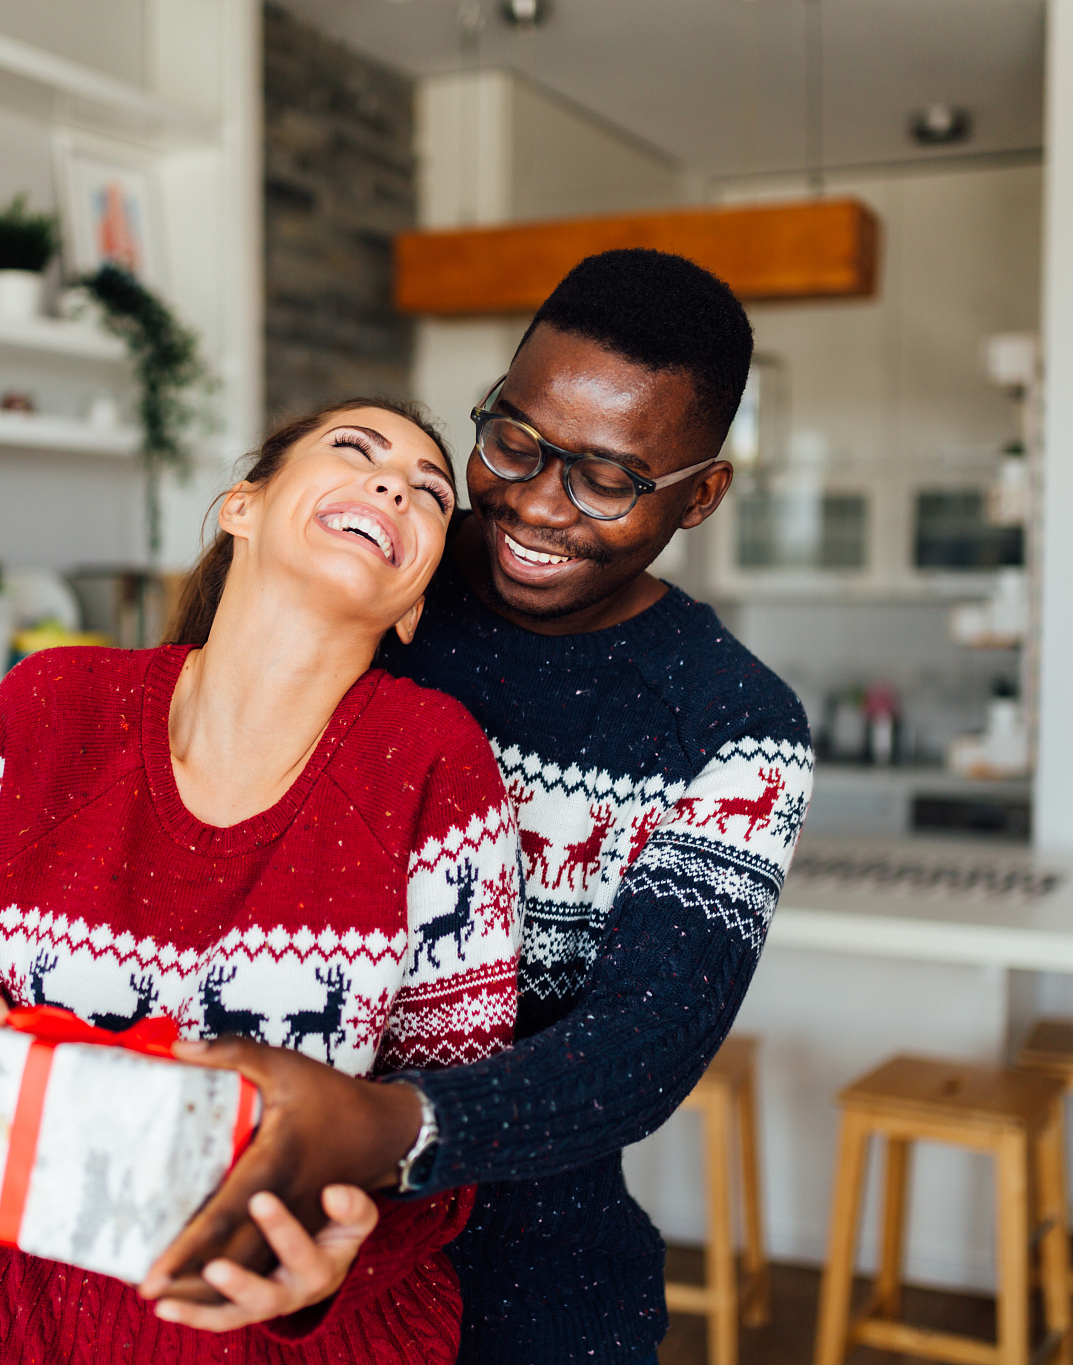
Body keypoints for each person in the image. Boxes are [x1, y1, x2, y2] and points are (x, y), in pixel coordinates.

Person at [140, 249, 814, 1365]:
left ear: (699, 494)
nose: (536, 505)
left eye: (607, 479)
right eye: (513, 441)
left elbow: (640, 1047)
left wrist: (380, 1126)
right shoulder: (385, 568)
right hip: (243, 1251)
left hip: (529, 1301)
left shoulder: (731, 726)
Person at [0, 399, 525, 1364]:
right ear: (241, 509)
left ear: (416, 600)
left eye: (431, 493)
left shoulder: (433, 761)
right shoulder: (47, 711)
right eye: (355, 451)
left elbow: (452, 1126)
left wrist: (337, 1256)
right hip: (52, 1331)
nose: (395, 486)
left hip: (323, 1343)